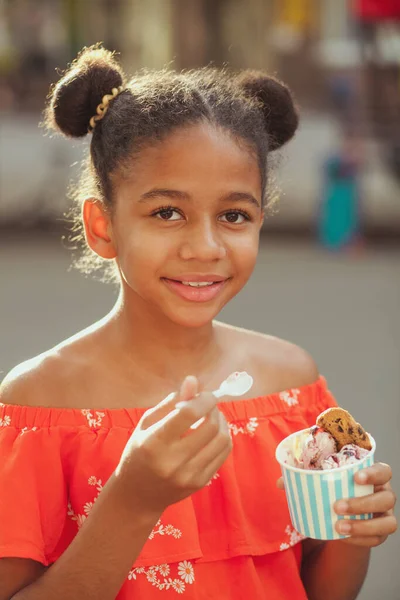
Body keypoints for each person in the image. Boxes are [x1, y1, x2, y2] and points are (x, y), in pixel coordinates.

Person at [0, 45, 396, 600]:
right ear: (103, 225)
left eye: (234, 216)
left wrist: (355, 533)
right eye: (167, 213)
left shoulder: (292, 388)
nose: (205, 248)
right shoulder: (39, 405)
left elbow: (319, 590)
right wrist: (133, 501)